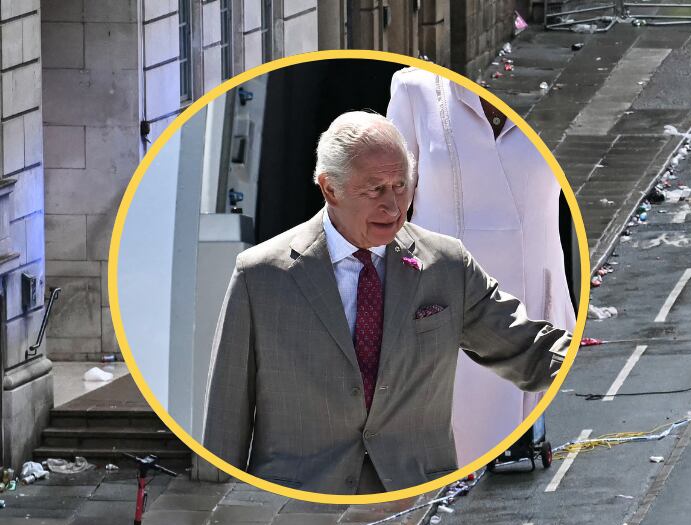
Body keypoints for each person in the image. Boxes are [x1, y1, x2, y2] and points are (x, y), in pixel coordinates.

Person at [203, 111, 570, 496]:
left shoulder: (446, 265)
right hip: (298, 509)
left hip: (416, 501)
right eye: (375, 189)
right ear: (330, 188)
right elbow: (225, 424)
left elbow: (528, 348)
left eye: (401, 186)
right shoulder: (260, 276)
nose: (394, 207)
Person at [387, 68, 573, 467]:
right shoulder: (415, 89)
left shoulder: (555, 96)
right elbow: (388, 206)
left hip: (535, 297)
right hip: (450, 301)